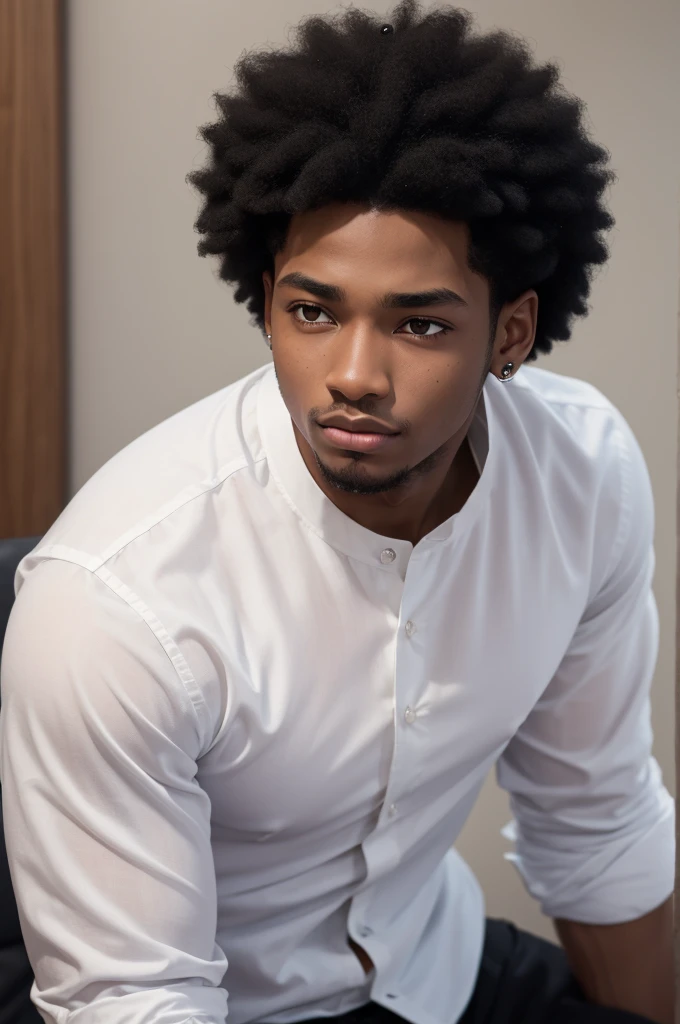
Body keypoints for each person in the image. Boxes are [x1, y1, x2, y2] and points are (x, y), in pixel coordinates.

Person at [0, 1, 674, 1022]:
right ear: (265, 297)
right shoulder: (115, 599)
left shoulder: (577, 477)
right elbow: (135, 997)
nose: (352, 375)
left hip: (432, 962)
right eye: (312, 312)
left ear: (511, 330)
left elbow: (596, 820)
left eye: (418, 322)